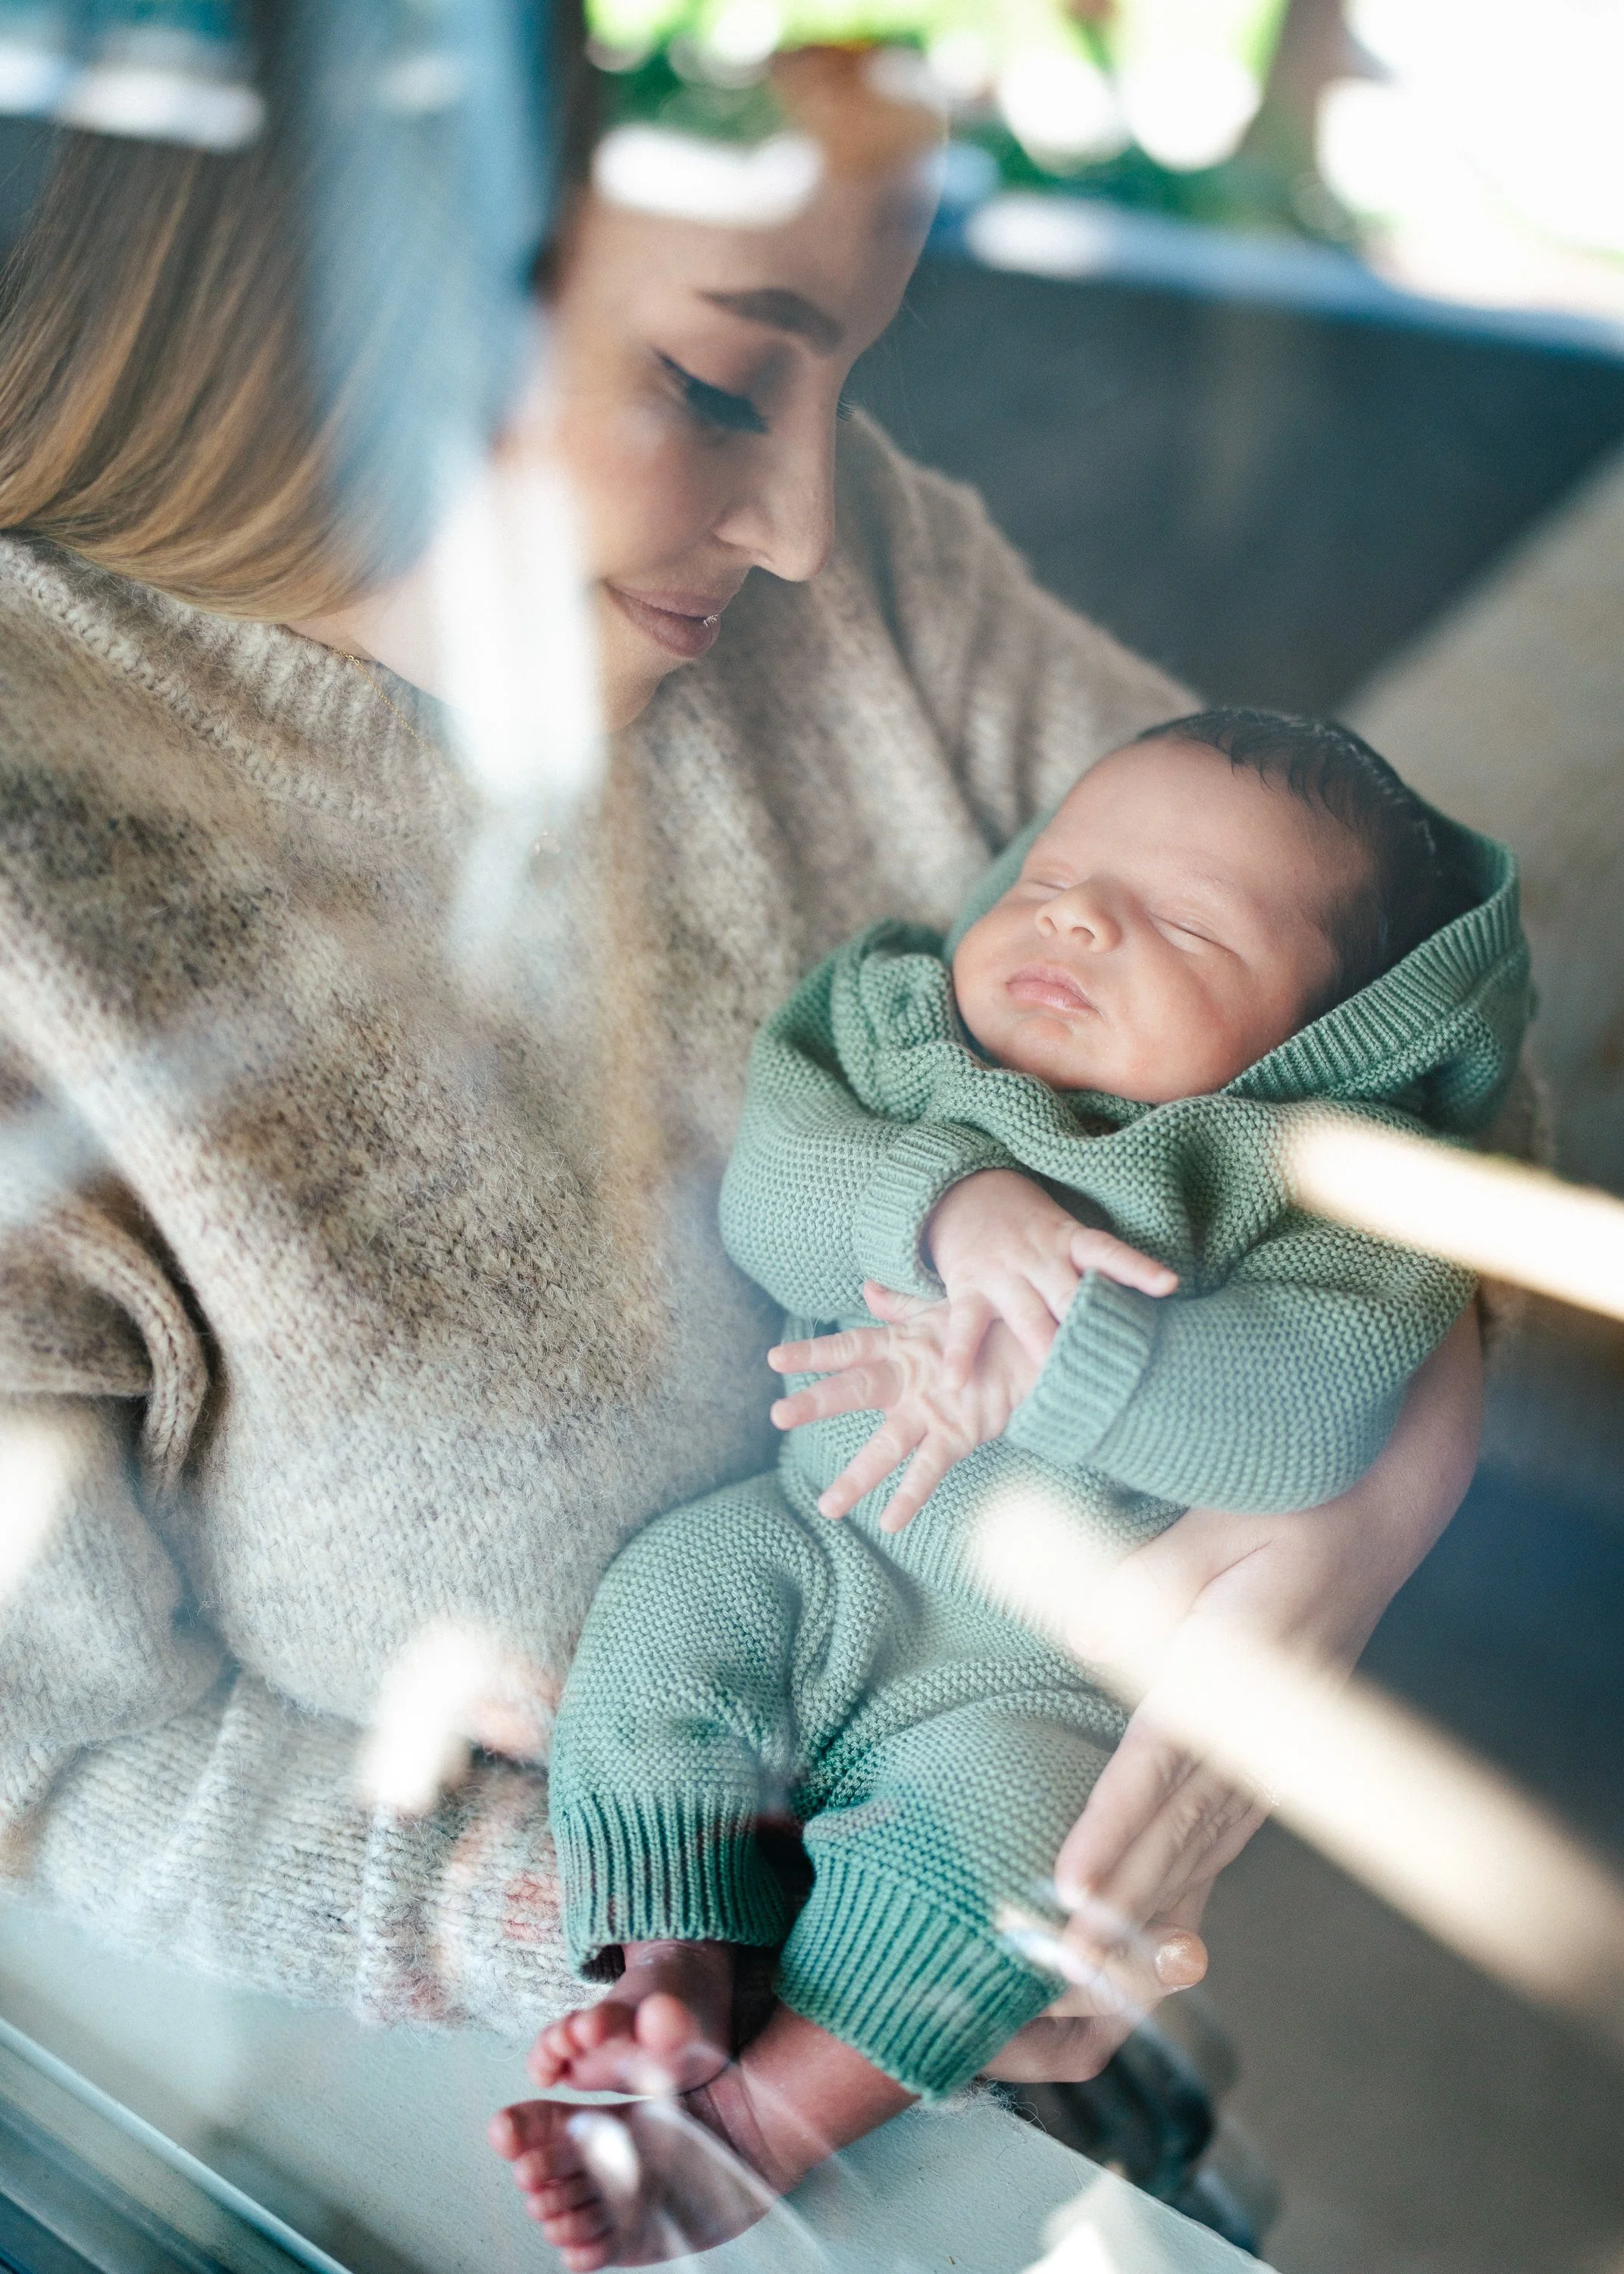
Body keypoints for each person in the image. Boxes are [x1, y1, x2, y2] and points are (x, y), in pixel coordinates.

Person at [0, 20, 1489, 2131]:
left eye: (839, 378)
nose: (798, 524)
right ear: (342, 280)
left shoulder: (851, 565)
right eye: (710, 381)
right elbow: (39, 1763)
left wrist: (1352, 1504)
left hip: (1034, 2030)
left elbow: (1382, 971)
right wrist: (654, 1963)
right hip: (431, 2136)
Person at [499, 713, 1529, 2267]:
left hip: (1039, 1687)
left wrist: (1064, 1361)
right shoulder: (908, 1036)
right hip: (815, 1546)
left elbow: (1305, 1426)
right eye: (1055, 877)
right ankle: (672, 1953)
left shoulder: (1318, 1185)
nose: (1082, 919)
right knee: (665, 1609)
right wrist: (945, 1207)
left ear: (1336, 1041)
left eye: (1184, 924)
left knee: (1023, 1863)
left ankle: (764, 2129)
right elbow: (772, 1189)